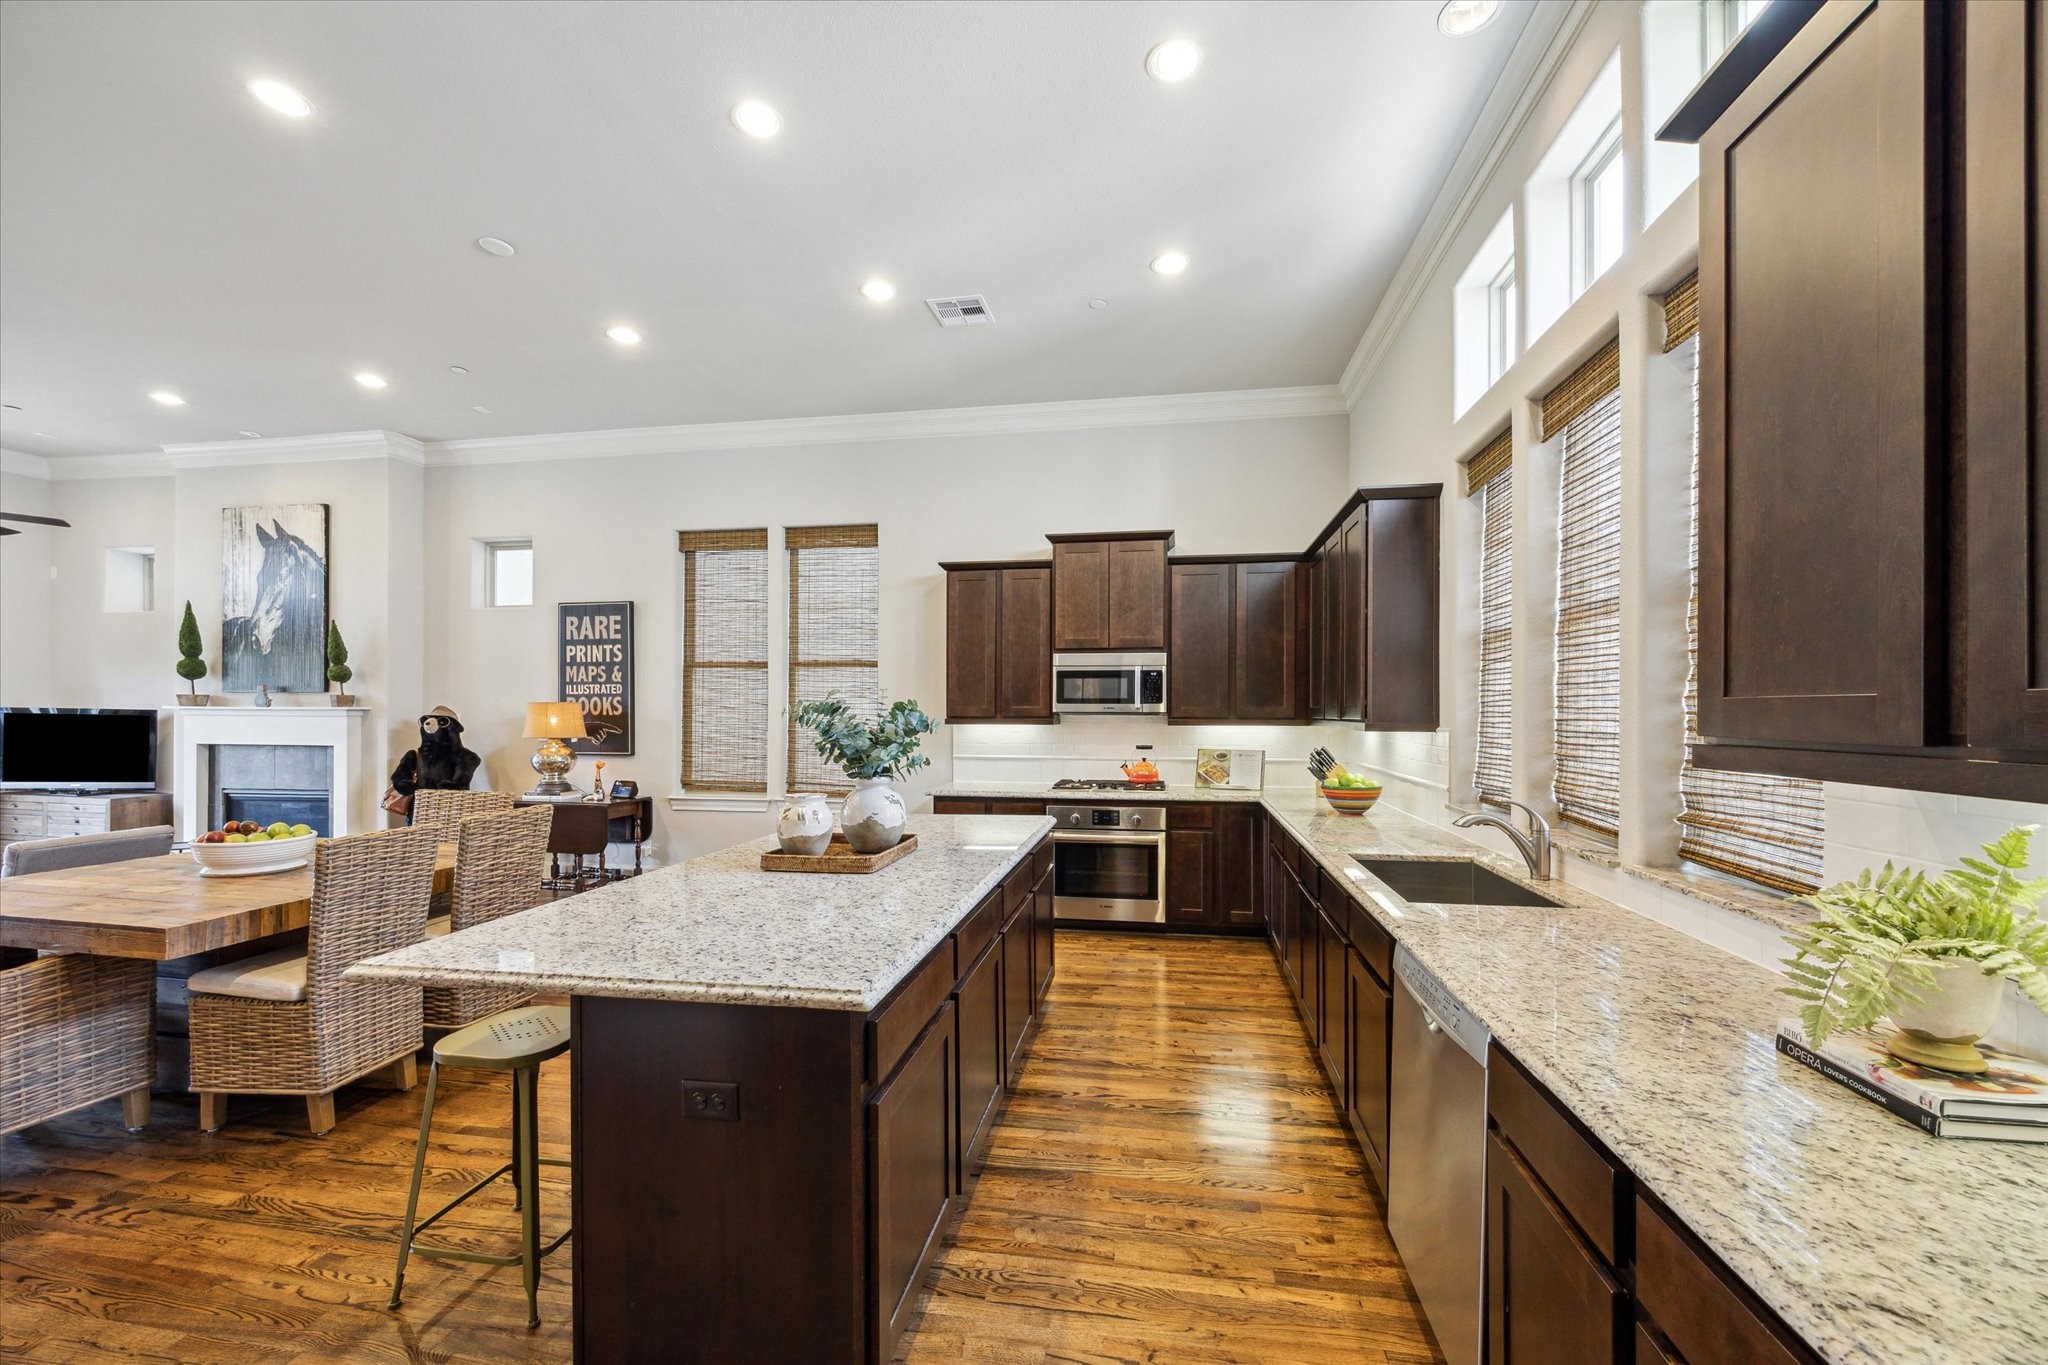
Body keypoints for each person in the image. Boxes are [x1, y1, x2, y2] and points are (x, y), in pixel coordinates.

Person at [389, 706, 482, 809]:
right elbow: (399, 778)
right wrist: (406, 785)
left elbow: (460, 782)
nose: (429, 722)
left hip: (450, 810)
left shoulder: (465, 756)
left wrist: (446, 790)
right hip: (420, 809)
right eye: (425, 720)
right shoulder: (414, 755)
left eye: (442, 721)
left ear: (454, 728)